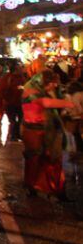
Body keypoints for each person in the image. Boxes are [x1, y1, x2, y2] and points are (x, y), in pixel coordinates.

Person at [21, 70, 73, 198]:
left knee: (53, 159)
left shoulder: (49, 91)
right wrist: (69, 104)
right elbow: (45, 102)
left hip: (50, 130)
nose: (54, 86)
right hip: (33, 131)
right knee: (34, 160)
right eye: (51, 83)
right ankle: (32, 186)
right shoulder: (29, 90)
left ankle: (57, 189)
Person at [0, 63, 25, 141]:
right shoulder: (7, 78)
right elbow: (1, 90)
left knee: (21, 119)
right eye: (19, 68)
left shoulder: (22, 77)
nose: (21, 69)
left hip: (20, 102)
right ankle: (13, 136)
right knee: (12, 120)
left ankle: (17, 134)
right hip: (10, 103)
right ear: (15, 70)